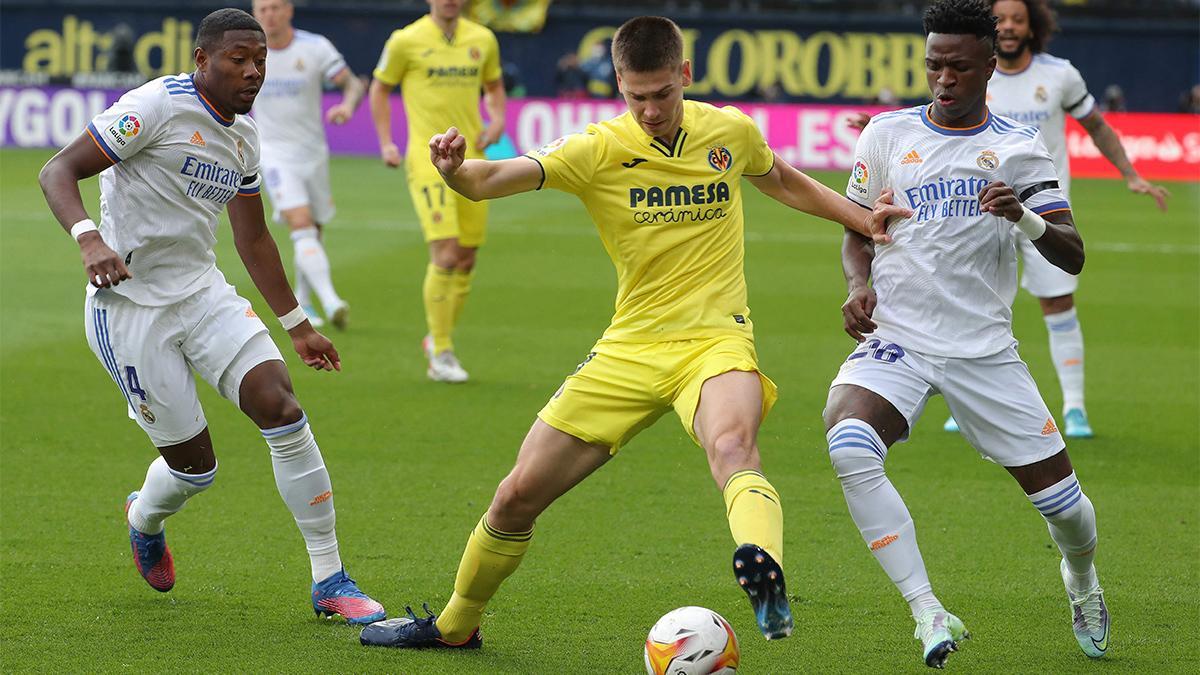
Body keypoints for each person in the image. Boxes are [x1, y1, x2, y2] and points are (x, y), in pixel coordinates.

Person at [359, 15, 897, 650]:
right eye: (636, 96)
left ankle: (763, 570)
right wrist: (455, 171)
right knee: (515, 497)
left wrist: (862, 219)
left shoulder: (728, 133)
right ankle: (454, 626)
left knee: (733, 448)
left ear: (685, 76)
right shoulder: (597, 148)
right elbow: (494, 180)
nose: (650, 110)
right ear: (618, 83)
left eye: (663, 94)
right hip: (629, 348)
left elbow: (781, 179)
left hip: (715, 341)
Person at [37, 8, 384, 624]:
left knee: (283, 406)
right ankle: (144, 516)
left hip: (201, 294)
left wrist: (298, 324)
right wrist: (90, 239)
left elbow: (252, 239)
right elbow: (58, 169)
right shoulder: (154, 107)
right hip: (130, 307)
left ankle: (330, 579)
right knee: (195, 470)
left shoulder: (245, 135)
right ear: (201, 59)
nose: (252, 71)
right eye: (238, 59)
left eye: (260, 61)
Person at [826, 0, 1107, 667]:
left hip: (983, 352)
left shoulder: (1016, 148)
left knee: (1068, 512)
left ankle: (1083, 580)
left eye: (957, 65)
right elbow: (855, 229)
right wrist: (856, 286)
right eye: (933, 65)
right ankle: (927, 609)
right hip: (900, 338)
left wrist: (1026, 218)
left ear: (987, 64)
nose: (943, 78)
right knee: (847, 440)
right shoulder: (886, 136)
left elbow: (1072, 252)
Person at [368, 0, 506, 383]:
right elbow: (379, 90)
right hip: (427, 159)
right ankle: (442, 351)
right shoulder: (405, 40)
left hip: (472, 159)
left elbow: (494, 87)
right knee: (446, 253)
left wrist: (496, 119)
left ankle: (437, 339)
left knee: (465, 259)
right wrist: (386, 143)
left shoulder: (483, 39)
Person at [251, 0, 364, 329]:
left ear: (289, 10)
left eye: (275, 8)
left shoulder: (315, 47)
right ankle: (332, 302)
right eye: (262, 9)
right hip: (272, 153)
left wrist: (347, 106)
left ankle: (304, 300)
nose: (269, 15)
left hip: (313, 153)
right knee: (300, 222)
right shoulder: (249, 52)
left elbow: (352, 83)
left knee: (313, 228)